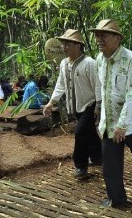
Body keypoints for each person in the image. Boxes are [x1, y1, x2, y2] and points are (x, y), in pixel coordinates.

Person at [90, 19, 132, 209]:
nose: (99, 38)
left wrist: (122, 124)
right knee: (110, 163)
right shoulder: (99, 59)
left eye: (104, 35)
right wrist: (101, 116)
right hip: (110, 121)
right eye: (97, 35)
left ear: (117, 38)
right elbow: (102, 89)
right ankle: (117, 199)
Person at [43, 29, 102, 178]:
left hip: (90, 105)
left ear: (78, 46)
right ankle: (98, 156)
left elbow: (98, 85)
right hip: (75, 107)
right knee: (89, 133)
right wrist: (51, 102)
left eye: (68, 44)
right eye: (64, 43)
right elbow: (60, 84)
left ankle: (80, 166)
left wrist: (98, 106)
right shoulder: (64, 63)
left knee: (80, 133)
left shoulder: (90, 63)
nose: (64, 47)